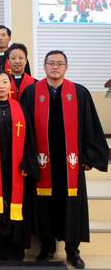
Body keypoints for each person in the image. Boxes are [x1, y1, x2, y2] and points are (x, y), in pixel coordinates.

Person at [20, 50, 109, 269]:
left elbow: (91, 126)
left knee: (72, 206)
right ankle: (47, 248)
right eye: (51, 63)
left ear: (66, 67)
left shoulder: (79, 93)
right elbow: (25, 131)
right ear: (44, 66)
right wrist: (29, 160)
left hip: (71, 162)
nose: (55, 67)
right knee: (44, 205)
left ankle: (73, 250)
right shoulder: (32, 93)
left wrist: (88, 157)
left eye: (60, 63)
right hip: (44, 162)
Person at [0, 70, 39, 261]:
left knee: (14, 207)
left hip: (16, 170)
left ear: (10, 86)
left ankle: (14, 250)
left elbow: (30, 139)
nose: (1, 85)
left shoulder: (20, 109)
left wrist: (28, 163)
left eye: (5, 82)